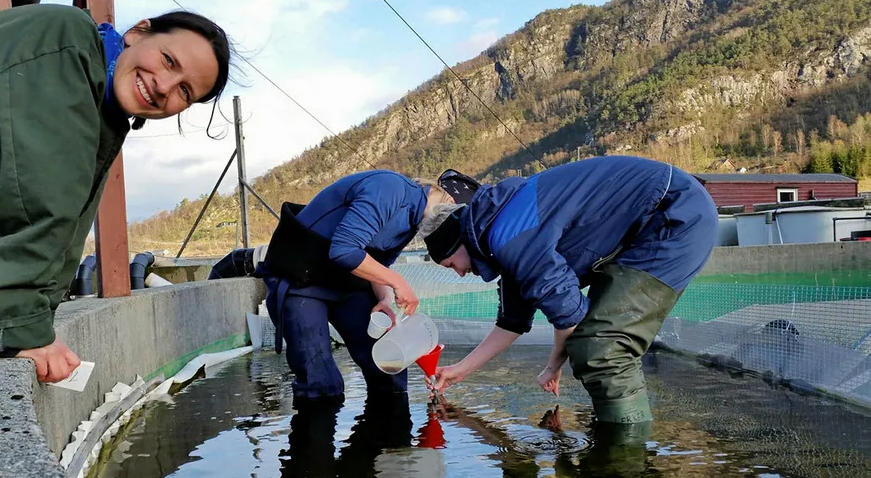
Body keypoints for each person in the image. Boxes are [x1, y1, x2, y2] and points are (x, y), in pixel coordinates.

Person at [0, 4, 232, 383]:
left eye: (185, 90)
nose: (164, 87)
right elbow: (44, 195)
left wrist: (39, 319)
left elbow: (61, 223)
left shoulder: (102, 112)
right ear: (137, 33)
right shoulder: (67, 41)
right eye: (168, 60)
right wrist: (23, 324)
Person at [422, 155, 717, 424]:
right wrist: (459, 370)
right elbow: (511, 321)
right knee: (590, 344)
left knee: (602, 348)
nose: (459, 273)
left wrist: (552, 366)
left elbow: (569, 318)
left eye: (450, 264)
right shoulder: (498, 230)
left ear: (458, 241)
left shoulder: (510, 235)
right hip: (642, 225)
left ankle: (622, 463)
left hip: (673, 215)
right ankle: (612, 431)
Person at [247, 170, 459, 408]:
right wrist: (398, 283)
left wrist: (385, 298)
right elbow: (344, 250)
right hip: (300, 281)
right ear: (448, 202)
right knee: (321, 384)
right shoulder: (390, 189)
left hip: (346, 284)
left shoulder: (412, 223)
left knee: (390, 370)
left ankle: (395, 444)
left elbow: (379, 264)